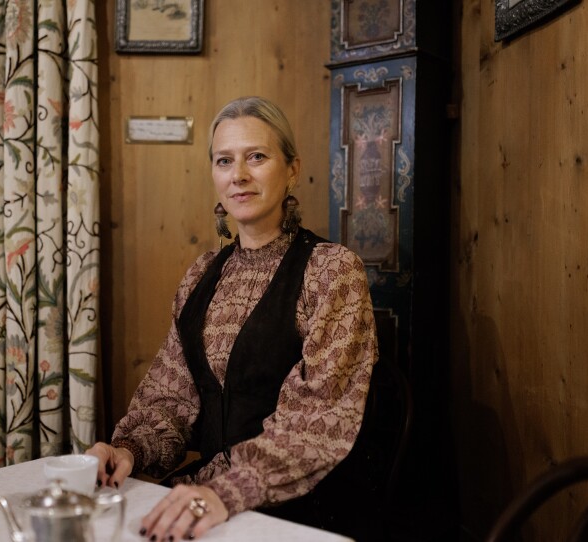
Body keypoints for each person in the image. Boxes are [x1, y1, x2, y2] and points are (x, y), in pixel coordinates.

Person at [87, 96, 377, 541]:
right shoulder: (202, 274)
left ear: (292, 169)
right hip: (209, 491)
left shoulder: (331, 271)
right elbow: (170, 397)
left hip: (298, 506)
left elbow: (317, 422)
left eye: (256, 157)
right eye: (224, 161)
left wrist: (227, 491)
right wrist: (128, 450)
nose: (238, 175)